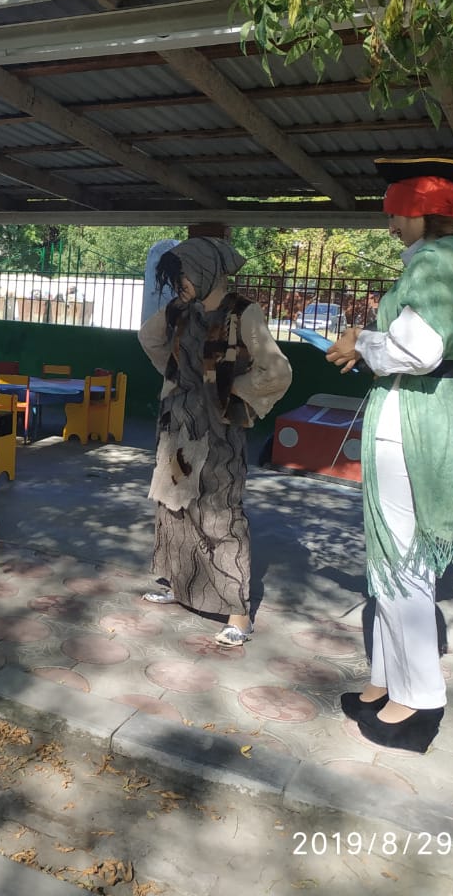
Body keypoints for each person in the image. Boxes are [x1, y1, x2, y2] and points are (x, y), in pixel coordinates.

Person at [327, 157, 453, 753]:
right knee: (405, 558)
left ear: (422, 211)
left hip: (412, 417)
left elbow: (418, 349)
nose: (389, 226)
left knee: (402, 560)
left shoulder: (436, 261)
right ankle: (386, 681)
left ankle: (419, 700)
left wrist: (361, 343)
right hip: (452, 410)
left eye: (394, 213)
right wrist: (439, 377)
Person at [138, 237, 292, 646]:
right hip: (178, 425)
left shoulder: (242, 312)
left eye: (184, 275)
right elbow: (148, 338)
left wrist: (230, 390)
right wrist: (178, 378)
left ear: (206, 270)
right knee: (173, 507)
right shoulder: (180, 311)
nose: (179, 285)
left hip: (220, 431)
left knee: (220, 514)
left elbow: (277, 371)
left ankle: (238, 615)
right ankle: (179, 585)